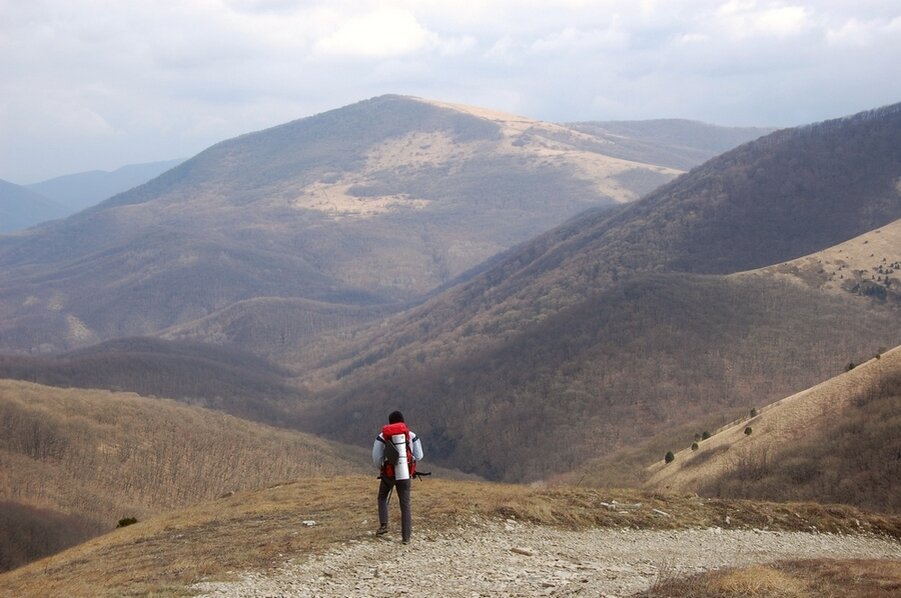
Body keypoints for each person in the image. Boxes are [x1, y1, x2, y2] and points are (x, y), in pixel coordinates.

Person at [372, 410, 423, 544]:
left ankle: (384, 525)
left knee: (382, 497)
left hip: (388, 474)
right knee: (405, 504)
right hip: (405, 473)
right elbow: (419, 455)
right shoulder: (411, 435)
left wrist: (383, 468)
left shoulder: (383, 436)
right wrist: (409, 464)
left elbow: (376, 458)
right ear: (402, 421)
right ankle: (406, 537)